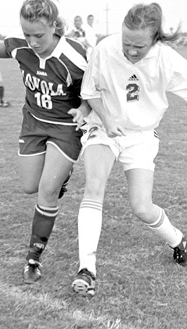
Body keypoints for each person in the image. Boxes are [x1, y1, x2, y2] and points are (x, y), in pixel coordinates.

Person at [0, 0, 89, 284]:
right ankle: (61, 175)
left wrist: (84, 110)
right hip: (33, 124)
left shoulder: (76, 56)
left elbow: (95, 91)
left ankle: (33, 259)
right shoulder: (20, 46)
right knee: (29, 186)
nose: (32, 41)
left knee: (46, 191)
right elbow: (2, 47)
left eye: (38, 35)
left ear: (54, 26)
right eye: (27, 34)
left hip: (65, 128)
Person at [71, 3, 187, 297]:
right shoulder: (105, 49)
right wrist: (107, 121)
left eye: (140, 46)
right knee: (94, 188)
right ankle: (87, 269)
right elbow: (90, 91)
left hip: (142, 136)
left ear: (156, 39)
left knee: (142, 208)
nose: (131, 51)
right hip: (104, 126)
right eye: (126, 43)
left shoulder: (168, 60)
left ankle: (177, 241)